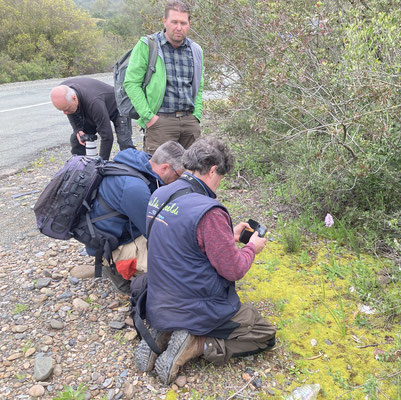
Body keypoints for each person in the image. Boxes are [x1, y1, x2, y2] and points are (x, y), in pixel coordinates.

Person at [137, 137, 276, 384]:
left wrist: (227, 236)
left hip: (159, 297)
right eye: (220, 176)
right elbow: (233, 269)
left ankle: (164, 332)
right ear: (213, 169)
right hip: (195, 306)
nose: (219, 184)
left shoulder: (159, 193)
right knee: (264, 334)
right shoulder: (209, 210)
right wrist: (252, 247)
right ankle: (197, 343)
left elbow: (180, 241)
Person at [87, 141, 185, 294]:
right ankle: (116, 270)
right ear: (165, 167)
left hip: (117, 229)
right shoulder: (134, 188)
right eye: (178, 175)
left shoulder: (142, 162)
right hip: (111, 244)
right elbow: (155, 233)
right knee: (174, 266)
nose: (178, 181)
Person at [124, 0, 204, 154]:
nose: (179, 27)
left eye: (183, 22)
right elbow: (131, 83)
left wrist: (196, 116)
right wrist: (149, 118)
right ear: (164, 21)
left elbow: (198, 85)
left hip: (189, 122)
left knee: (191, 173)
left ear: (189, 24)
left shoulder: (195, 50)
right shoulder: (148, 45)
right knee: (159, 176)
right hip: (160, 122)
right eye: (174, 22)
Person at [50, 77, 136, 160]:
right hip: (93, 108)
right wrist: (78, 130)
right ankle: (80, 167)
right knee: (77, 139)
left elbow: (107, 137)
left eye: (67, 109)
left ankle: (134, 169)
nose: (65, 113)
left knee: (124, 143)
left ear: (74, 98)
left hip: (117, 108)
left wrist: (100, 165)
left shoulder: (94, 102)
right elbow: (71, 112)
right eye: (62, 110)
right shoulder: (63, 91)